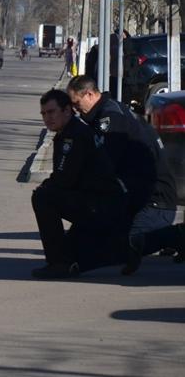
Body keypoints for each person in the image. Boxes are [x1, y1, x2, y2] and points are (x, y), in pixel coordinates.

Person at [66, 74, 181, 275]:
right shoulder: (108, 110)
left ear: (90, 94)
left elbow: (105, 167)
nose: (76, 110)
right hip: (139, 194)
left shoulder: (110, 118)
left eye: (77, 104)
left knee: (129, 244)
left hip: (155, 201)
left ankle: (177, 236)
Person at [30, 89, 129, 279]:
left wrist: (45, 187)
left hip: (103, 207)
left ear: (67, 110)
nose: (47, 118)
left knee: (42, 198)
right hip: (101, 203)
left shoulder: (73, 136)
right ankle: (124, 250)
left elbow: (64, 179)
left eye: (51, 112)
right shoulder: (72, 130)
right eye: (43, 114)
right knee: (75, 251)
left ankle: (58, 264)